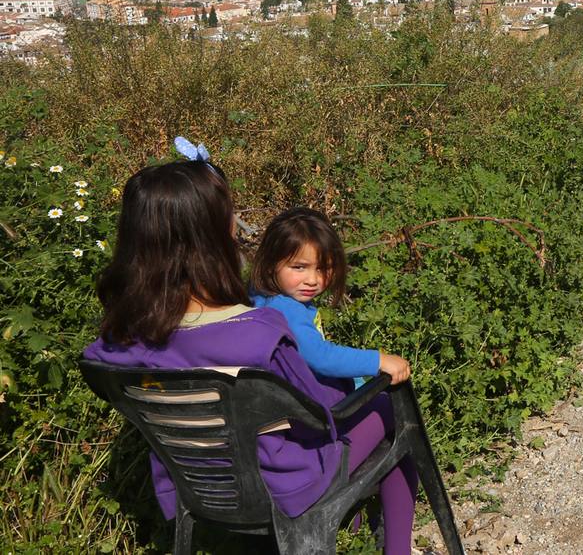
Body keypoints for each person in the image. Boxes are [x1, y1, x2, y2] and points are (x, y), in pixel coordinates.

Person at [83, 156, 419, 554]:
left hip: (196, 484)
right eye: (230, 215)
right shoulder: (258, 332)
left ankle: (355, 513)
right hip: (282, 482)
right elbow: (318, 414)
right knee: (388, 407)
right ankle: (395, 543)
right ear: (212, 236)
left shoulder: (118, 341)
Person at [251, 207, 411, 384]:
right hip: (308, 400)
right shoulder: (286, 309)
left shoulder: (259, 295)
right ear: (270, 264)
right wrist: (378, 361)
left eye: (323, 268)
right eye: (299, 267)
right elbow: (320, 357)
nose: (312, 280)